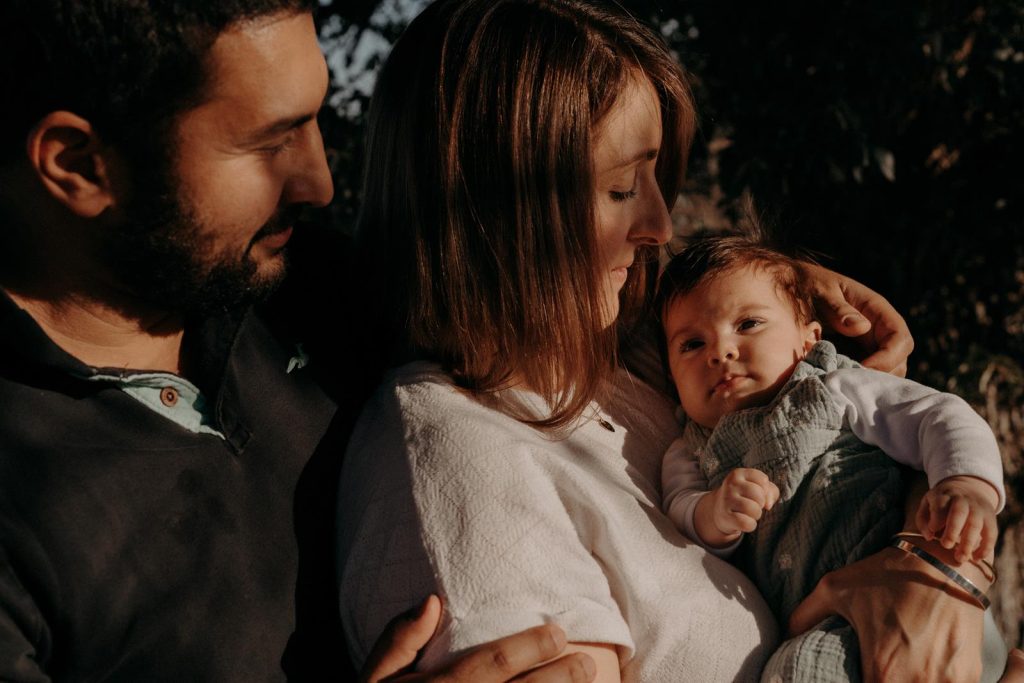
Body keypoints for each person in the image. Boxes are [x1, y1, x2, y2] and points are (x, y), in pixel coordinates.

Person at [332, 0, 1011, 680]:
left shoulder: (631, 358)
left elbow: (894, 431)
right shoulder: (457, 453)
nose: (659, 222)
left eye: (657, 178)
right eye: (623, 186)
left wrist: (941, 563)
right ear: (495, 209)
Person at [0, 1, 601, 680]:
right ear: (77, 164)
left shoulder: (322, 288)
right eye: (270, 140)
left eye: (316, 118)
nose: (320, 182)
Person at [657, 231, 1009, 681]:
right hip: (820, 619)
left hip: (906, 582)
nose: (721, 352)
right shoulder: (688, 448)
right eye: (692, 344)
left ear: (808, 340)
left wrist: (965, 485)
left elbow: (937, 416)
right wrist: (715, 514)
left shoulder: (834, 387)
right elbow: (680, 509)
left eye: (748, 324)